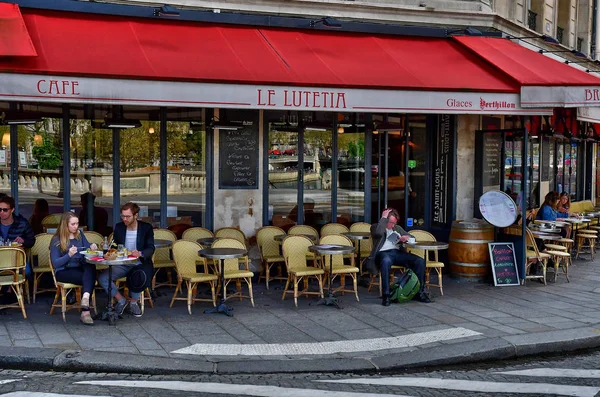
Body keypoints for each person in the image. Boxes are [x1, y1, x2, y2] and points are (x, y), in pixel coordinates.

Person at [98, 202, 154, 318]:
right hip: (123, 263)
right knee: (103, 278)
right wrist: (109, 251)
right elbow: (114, 245)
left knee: (139, 275)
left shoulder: (146, 228)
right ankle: (121, 301)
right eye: (123, 216)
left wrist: (140, 253)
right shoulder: (119, 227)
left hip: (139, 263)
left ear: (136, 215)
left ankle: (133, 302)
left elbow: (150, 247)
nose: (125, 219)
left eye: (128, 216)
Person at [365, 208, 431, 306]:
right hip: (383, 253)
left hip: (397, 253)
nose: (392, 225)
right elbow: (378, 233)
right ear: (385, 220)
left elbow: (413, 238)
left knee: (419, 261)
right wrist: (383, 217)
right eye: (391, 222)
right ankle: (386, 295)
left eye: (394, 223)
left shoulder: (397, 228)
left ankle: (420, 292)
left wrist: (407, 238)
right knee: (386, 261)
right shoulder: (376, 227)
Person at [50, 212, 98, 325]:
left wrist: (92, 246)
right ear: (65, 225)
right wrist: (69, 255)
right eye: (73, 224)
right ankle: (85, 312)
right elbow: (56, 263)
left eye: (77, 223)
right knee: (89, 278)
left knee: (90, 265)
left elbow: (86, 248)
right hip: (64, 271)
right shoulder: (56, 240)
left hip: (79, 266)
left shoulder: (79, 234)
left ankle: (85, 299)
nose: (76, 226)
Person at [0, 196, 36, 276]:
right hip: (1, 260)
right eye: (0, 210)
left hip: (16, 260)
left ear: (12, 210)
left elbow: (32, 241)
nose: (1, 212)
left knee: (27, 272)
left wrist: (23, 240)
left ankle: (10, 287)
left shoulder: (22, 223)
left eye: (5, 210)